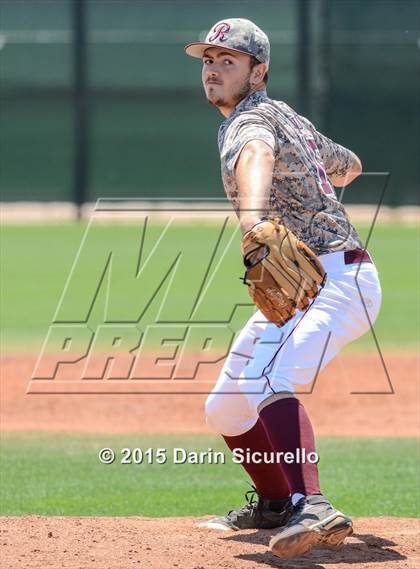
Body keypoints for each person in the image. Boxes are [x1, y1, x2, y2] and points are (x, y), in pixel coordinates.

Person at [184, 18, 381, 558]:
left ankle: (311, 505)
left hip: (339, 279)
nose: (214, 70)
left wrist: (254, 225)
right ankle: (275, 501)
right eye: (209, 60)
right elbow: (351, 167)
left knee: (273, 376)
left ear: (259, 70)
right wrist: (317, 176)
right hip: (310, 283)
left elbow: (257, 158)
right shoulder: (285, 116)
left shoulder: (249, 124)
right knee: (226, 406)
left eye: (229, 61)